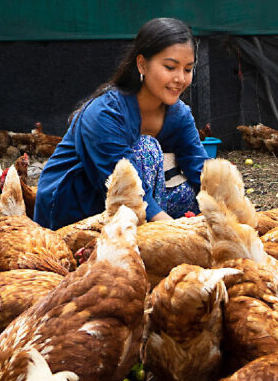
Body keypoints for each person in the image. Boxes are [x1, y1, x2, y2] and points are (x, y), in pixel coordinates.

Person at [33, 17, 207, 230]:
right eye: (170, 67)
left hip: (130, 201)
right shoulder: (105, 113)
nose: (180, 78)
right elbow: (126, 186)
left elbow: (201, 170)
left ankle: (151, 237)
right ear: (142, 64)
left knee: (196, 196)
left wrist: (236, 220)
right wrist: (174, 233)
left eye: (188, 69)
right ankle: (147, 240)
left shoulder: (179, 114)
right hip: (75, 207)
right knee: (146, 149)